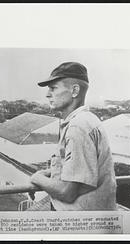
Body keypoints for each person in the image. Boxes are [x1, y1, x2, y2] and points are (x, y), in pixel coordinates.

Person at [29, 62, 117, 211]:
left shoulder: (78, 126)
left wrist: (37, 177)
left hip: (80, 224)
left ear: (75, 90)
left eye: (53, 88)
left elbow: (67, 192)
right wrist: (50, 173)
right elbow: (81, 168)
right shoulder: (87, 119)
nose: (47, 94)